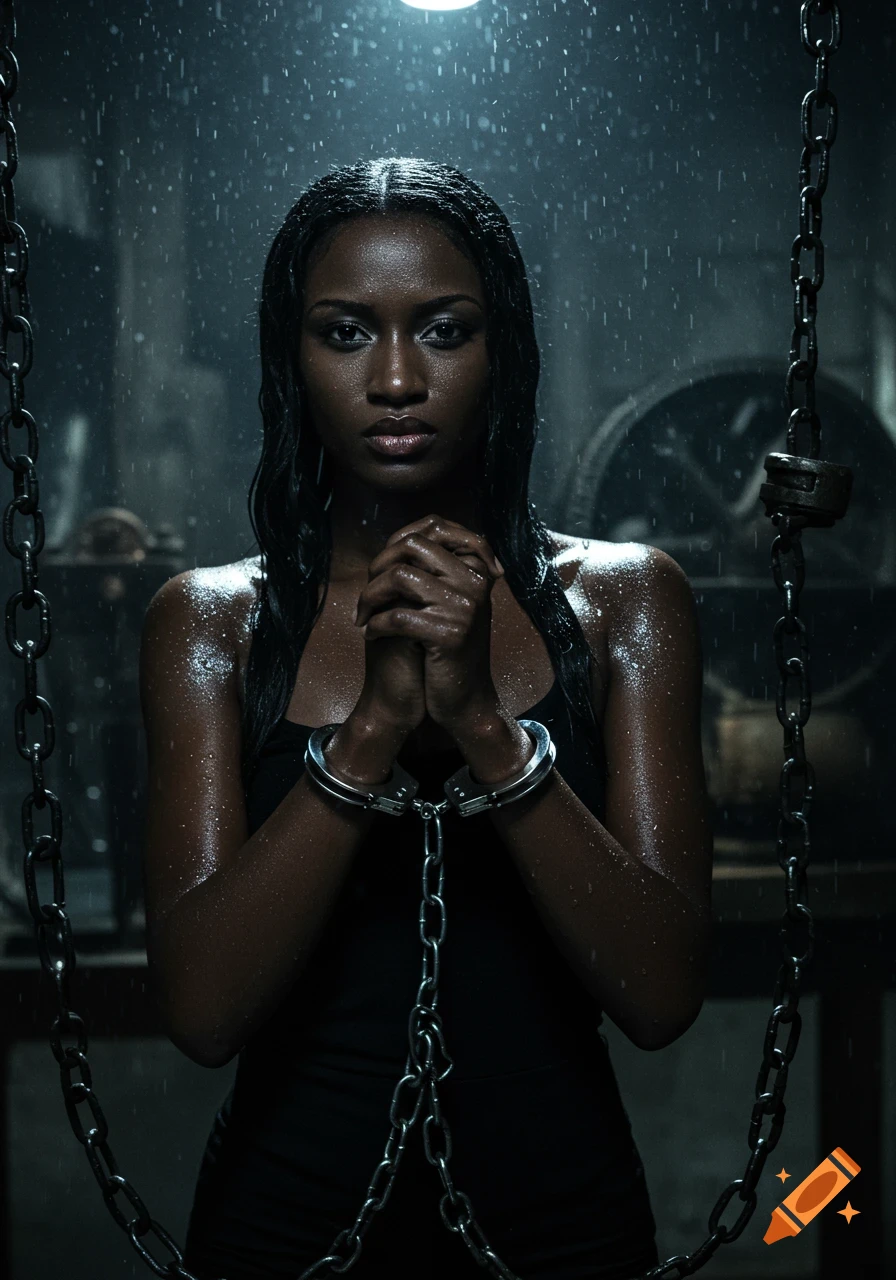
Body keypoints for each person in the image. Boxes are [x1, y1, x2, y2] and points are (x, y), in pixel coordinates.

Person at [139, 157, 713, 1280]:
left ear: (505, 353)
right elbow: (203, 1011)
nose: (396, 378)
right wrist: (370, 732)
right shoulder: (211, 624)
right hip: (283, 1235)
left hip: (563, 1233)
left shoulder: (624, 603)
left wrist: (488, 730)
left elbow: (660, 993)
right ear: (291, 358)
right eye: (345, 333)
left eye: (445, 332)